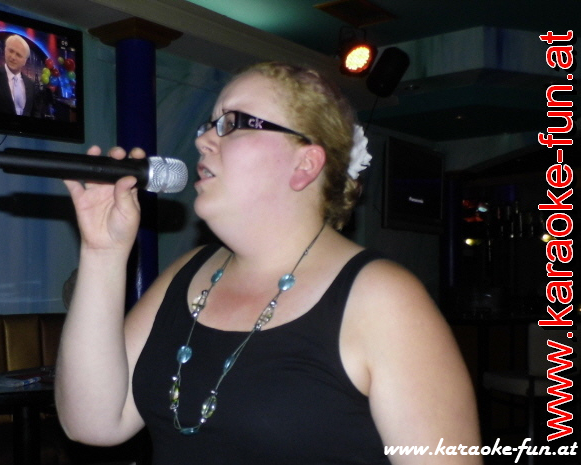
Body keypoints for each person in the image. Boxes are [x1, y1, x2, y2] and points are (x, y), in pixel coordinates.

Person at [55, 61, 481, 464]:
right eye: (208, 124)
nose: (202, 140)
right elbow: (90, 424)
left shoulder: (384, 298)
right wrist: (102, 253)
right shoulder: (185, 274)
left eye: (233, 123)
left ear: (304, 164)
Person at [0, 34, 39, 117]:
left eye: (18, 55)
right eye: (11, 51)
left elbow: (35, 112)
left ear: (24, 61)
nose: (13, 57)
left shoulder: (31, 84)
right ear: (5, 51)